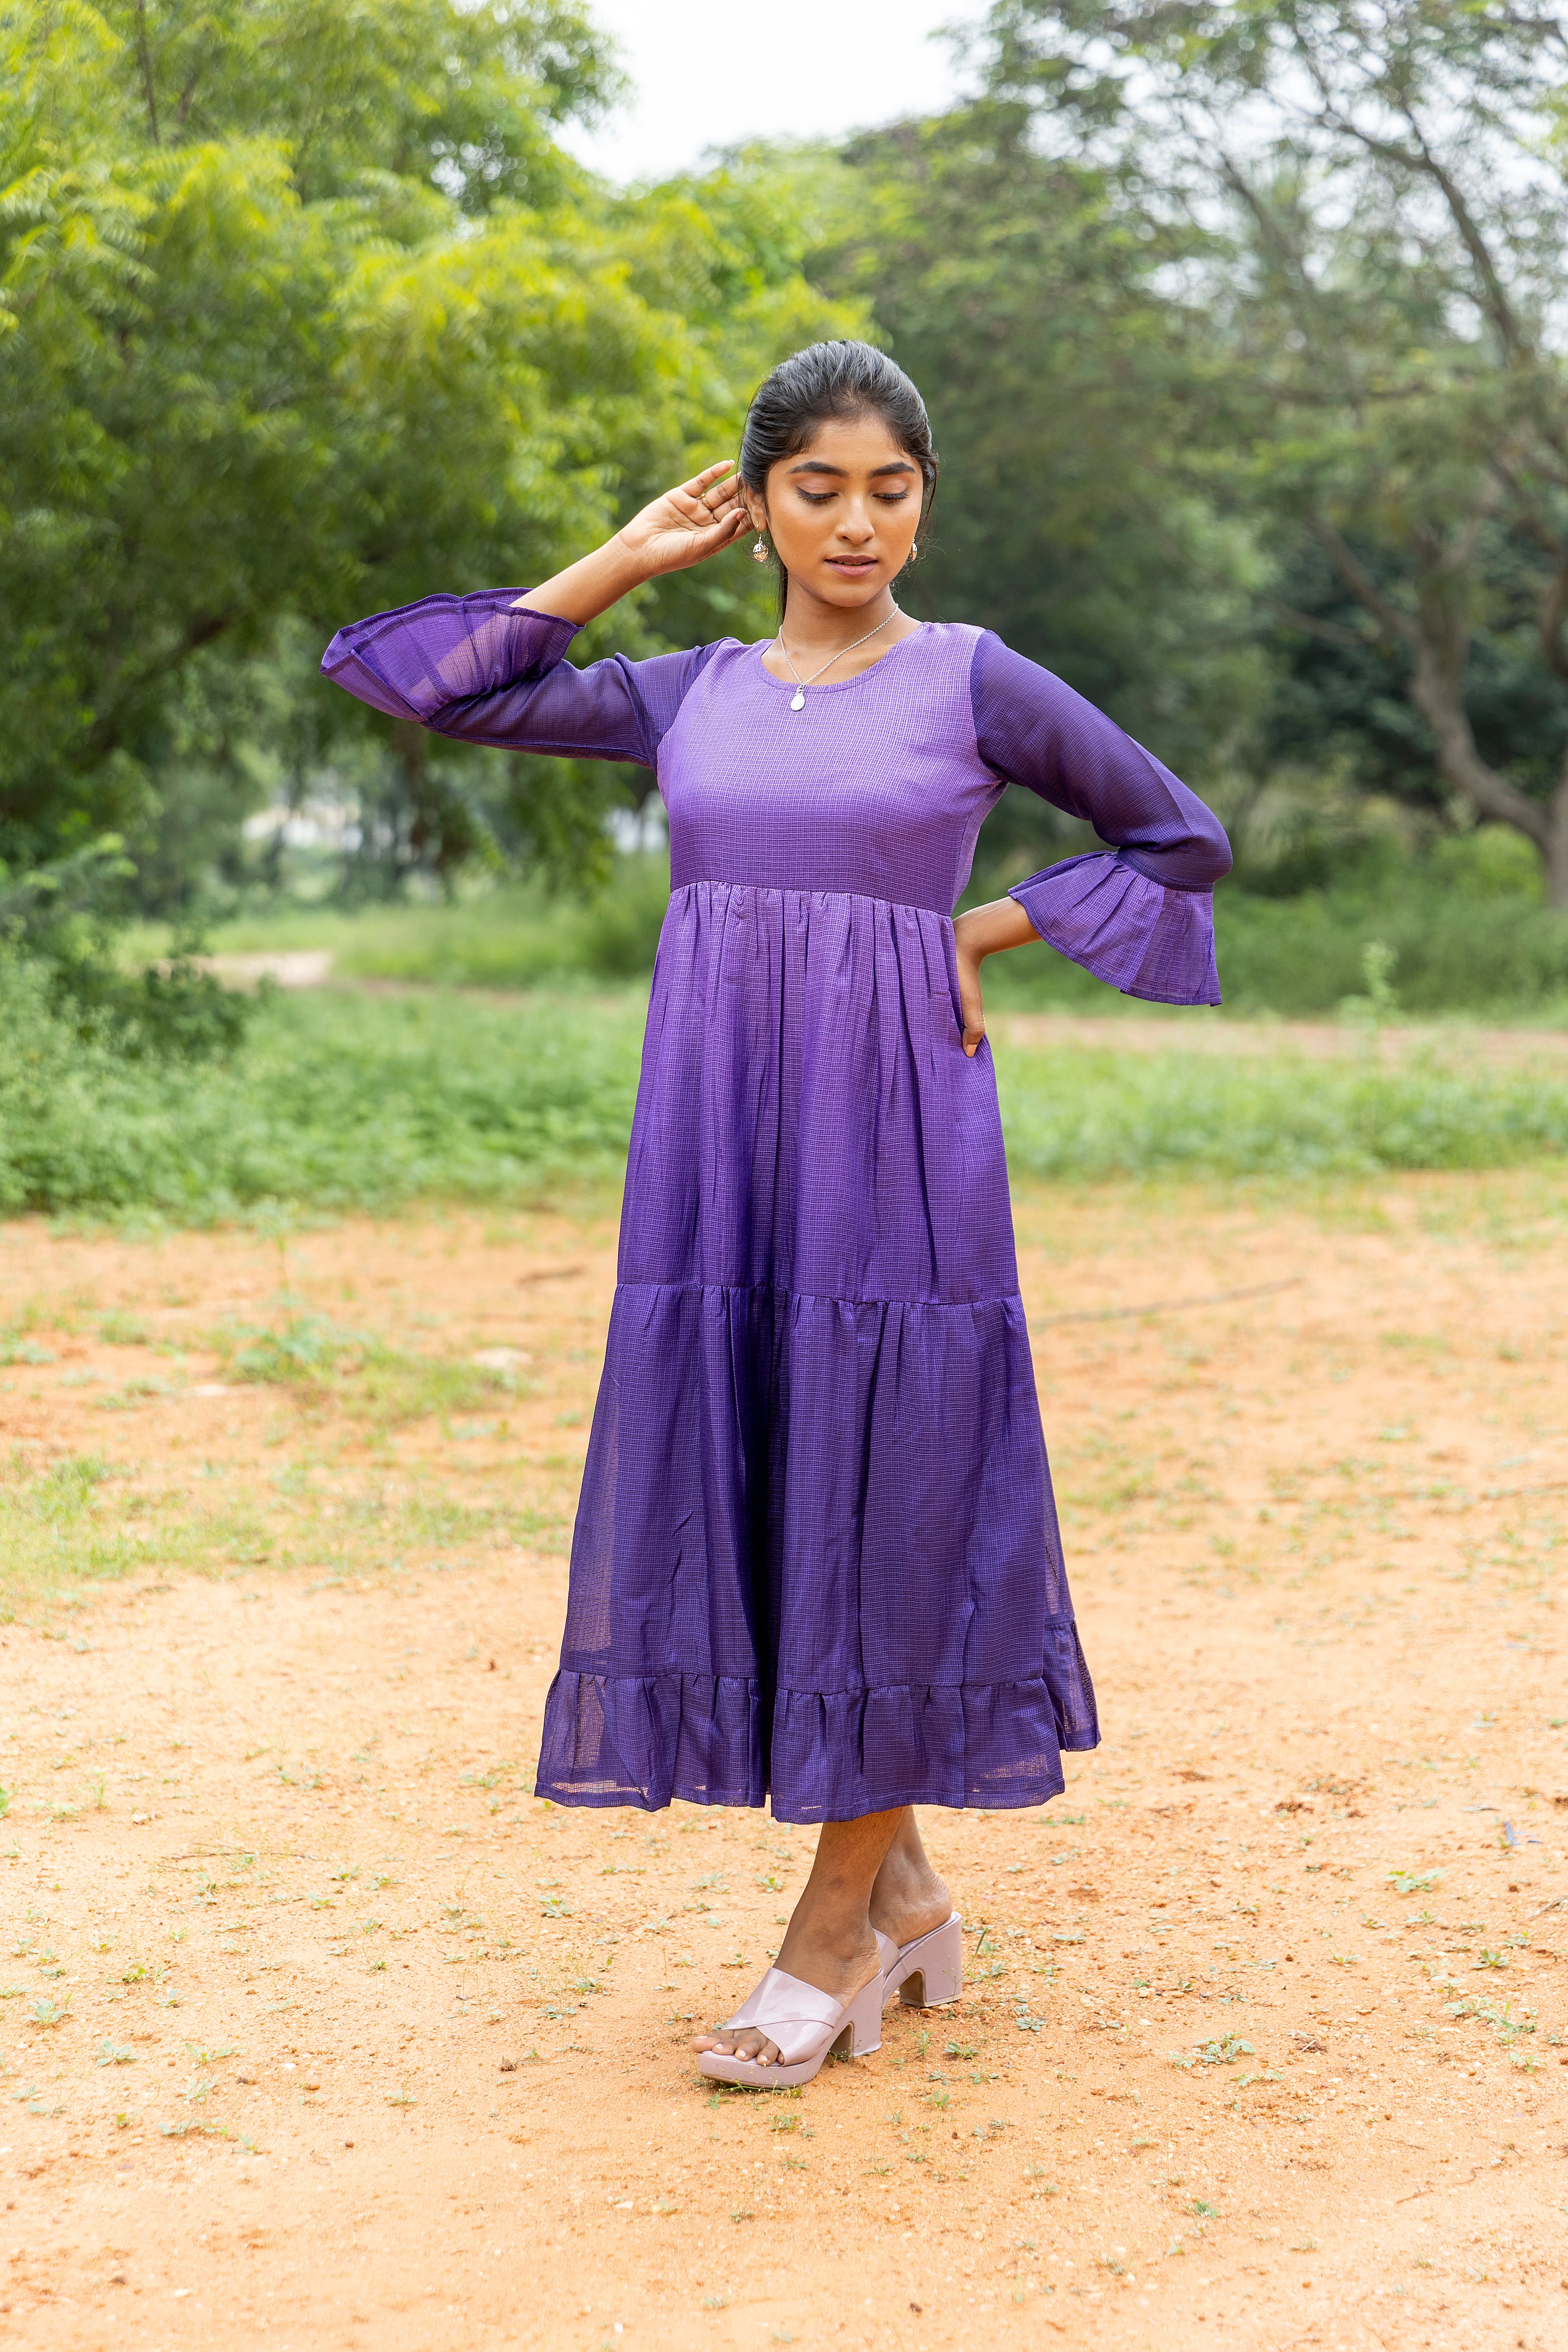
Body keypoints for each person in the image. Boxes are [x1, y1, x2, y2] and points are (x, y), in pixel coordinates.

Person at [322, 339, 1231, 2090]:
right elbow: (431, 687)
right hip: (718, 1137)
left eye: (893, 489)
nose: (858, 522)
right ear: (758, 505)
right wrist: (626, 559)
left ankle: (836, 1929)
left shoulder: (973, 679)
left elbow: (1174, 834)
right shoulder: (694, 689)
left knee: (889, 1473)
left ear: (926, 506)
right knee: (766, 1455)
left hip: (893, 1135)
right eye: (819, 488)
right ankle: (909, 1890)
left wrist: (978, 932)